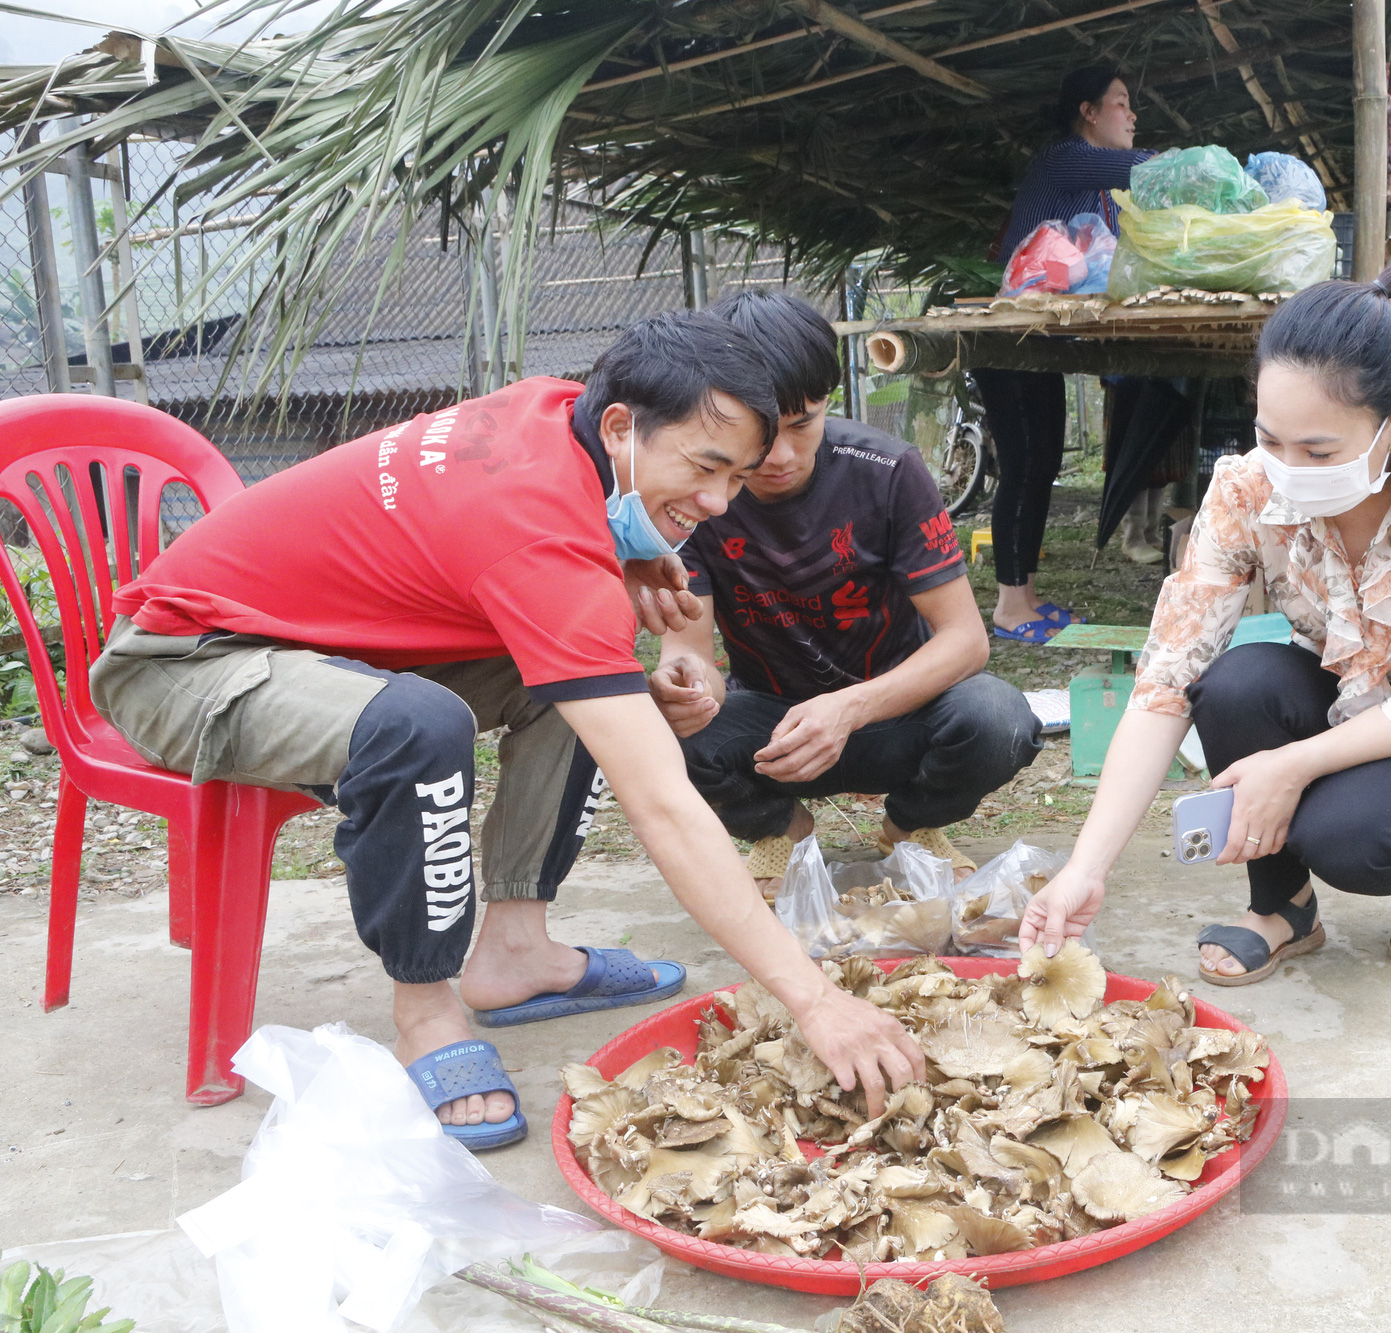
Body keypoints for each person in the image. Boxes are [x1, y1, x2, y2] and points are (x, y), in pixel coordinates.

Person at [88, 312, 926, 1150]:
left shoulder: (560, 412)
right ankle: (425, 1010)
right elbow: (663, 806)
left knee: (586, 682)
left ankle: (516, 950)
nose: (715, 505)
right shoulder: (537, 535)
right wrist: (813, 998)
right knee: (418, 727)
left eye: (738, 477)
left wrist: (627, 550)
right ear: (622, 428)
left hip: (312, 643)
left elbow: (509, 528)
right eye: (705, 468)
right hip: (183, 662)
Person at [1015, 273, 1391, 981]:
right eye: (1270, 439)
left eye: (1319, 453)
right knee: (1232, 687)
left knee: (1349, 836)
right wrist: (1086, 866)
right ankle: (1284, 906)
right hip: (1333, 682)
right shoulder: (1243, 486)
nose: (1289, 470)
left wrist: (1290, 766)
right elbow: (1167, 675)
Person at [652, 290, 1042, 896]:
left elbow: (966, 642)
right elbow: (691, 651)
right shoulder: (696, 494)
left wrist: (851, 707)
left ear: (827, 402)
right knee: (653, 731)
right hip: (774, 729)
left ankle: (910, 825)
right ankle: (781, 829)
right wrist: (683, 682)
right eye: (760, 434)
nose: (779, 457)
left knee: (997, 717)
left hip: (897, 712)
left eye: (801, 425)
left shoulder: (886, 470)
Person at [976, 66, 1154, 642]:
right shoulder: (1066, 160)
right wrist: (1200, 168)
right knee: (1022, 465)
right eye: (1121, 103)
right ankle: (1007, 607)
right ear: (1088, 111)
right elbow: (1147, 167)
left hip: (1043, 342)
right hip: (1008, 337)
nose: (1131, 114)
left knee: (1046, 462)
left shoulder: (1098, 193)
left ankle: (1025, 594)